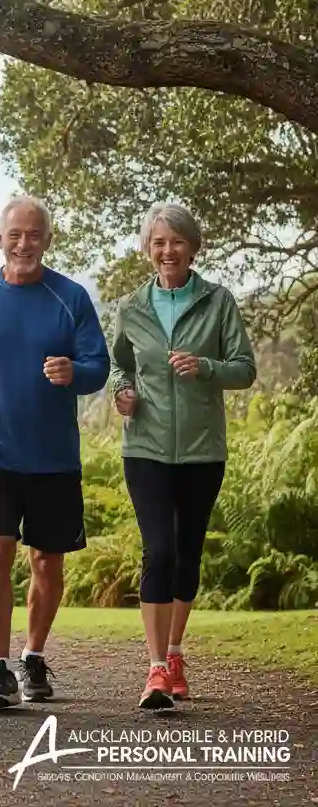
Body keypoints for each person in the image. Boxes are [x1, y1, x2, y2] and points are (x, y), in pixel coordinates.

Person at [0, 196, 109, 709]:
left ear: (47, 240)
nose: (24, 244)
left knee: (46, 561)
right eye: (15, 234)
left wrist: (73, 373)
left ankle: (33, 656)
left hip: (54, 455)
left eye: (34, 234)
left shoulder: (71, 298)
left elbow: (97, 366)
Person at [109, 203, 256, 711]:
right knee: (159, 551)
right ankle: (154, 670)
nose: (167, 251)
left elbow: (244, 369)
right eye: (157, 243)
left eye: (175, 242)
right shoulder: (131, 307)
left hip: (202, 450)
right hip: (145, 446)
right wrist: (122, 393)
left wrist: (207, 367)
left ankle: (175, 654)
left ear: (192, 247)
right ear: (148, 250)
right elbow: (118, 366)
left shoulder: (218, 303)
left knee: (188, 553)